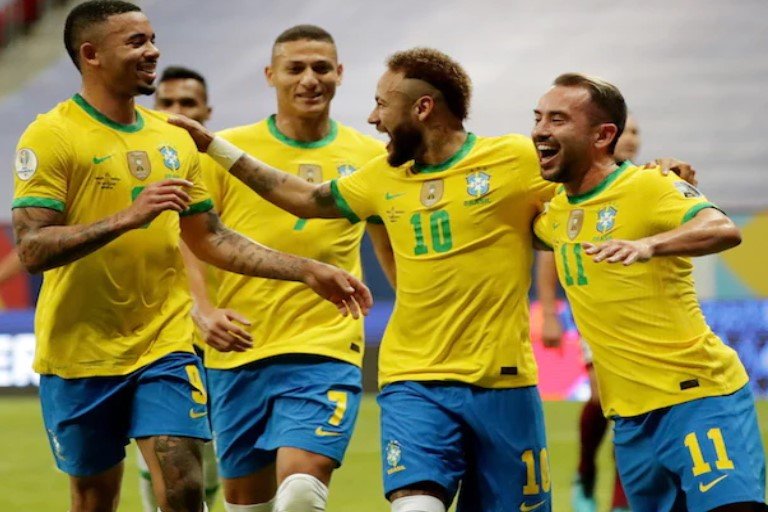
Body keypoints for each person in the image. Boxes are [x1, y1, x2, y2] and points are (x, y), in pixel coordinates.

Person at [11, 2, 370, 511]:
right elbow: (32, 248)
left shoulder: (172, 138)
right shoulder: (52, 135)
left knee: (182, 484)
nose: (153, 50)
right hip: (79, 351)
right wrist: (127, 217)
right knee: (94, 499)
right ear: (91, 54)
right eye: (136, 42)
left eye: (152, 37)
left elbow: (213, 238)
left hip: (164, 345)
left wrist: (306, 270)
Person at [173, 46, 555, 512]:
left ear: (422, 108)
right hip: (412, 379)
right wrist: (214, 146)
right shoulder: (381, 177)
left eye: (382, 104)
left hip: (504, 381)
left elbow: (590, 192)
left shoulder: (513, 159)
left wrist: (668, 181)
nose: (374, 118)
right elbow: (305, 198)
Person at [532, 73, 765, 511]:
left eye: (558, 119)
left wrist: (648, 244)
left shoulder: (649, 185)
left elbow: (721, 228)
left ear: (603, 135)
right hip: (629, 418)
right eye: (539, 117)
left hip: (696, 397)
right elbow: (536, 240)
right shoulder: (557, 210)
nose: (541, 129)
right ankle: (586, 474)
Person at [188, 25, 393, 512]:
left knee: (301, 490)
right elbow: (192, 241)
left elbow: (390, 248)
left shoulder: (369, 157)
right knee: (246, 504)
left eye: (321, 68)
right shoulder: (228, 151)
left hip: (325, 346)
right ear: (270, 75)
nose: (309, 79)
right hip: (239, 349)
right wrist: (203, 309)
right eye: (295, 68)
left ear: (340, 74)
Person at [536, 114, 642, 512]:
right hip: (594, 315)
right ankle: (585, 470)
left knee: (634, 408)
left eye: (636, 132)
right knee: (604, 396)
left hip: (639, 319)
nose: (631, 139)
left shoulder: (647, 184)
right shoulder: (573, 192)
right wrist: (548, 312)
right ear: (602, 137)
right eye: (625, 131)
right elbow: (549, 253)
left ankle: (621, 498)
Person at [130, 64, 221, 512]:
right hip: (167, 330)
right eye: (167, 102)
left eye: (188, 103)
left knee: (210, 472)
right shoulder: (146, 166)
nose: (177, 111)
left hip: (233, 335)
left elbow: (208, 242)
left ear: (207, 110)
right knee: (167, 461)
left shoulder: (226, 166)